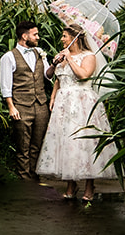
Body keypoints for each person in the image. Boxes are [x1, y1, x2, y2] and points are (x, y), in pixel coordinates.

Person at [35, 23, 113, 202]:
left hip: (82, 104)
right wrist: (53, 94)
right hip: (63, 103)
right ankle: (70, 184)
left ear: (75, 38)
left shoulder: (89, 56)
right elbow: (57, 78)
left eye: (64, 36)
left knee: (85, 143)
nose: (62, 39)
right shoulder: (62, 56)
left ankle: (89, 185)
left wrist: (69, 58)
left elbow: (84, 75)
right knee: (65, 142)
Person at [0, 19, 51, 179]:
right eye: (35, 34)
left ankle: (34, 174)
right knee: (23, 145)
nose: (38, 37)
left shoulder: (40, 53)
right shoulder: (9, 57)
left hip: (41, 105)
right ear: (24, 36)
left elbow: (47, 75)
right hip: (21, 106)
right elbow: (6, 84)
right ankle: (24, 179)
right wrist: (11, 107)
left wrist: (55, 65)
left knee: (38, 143)